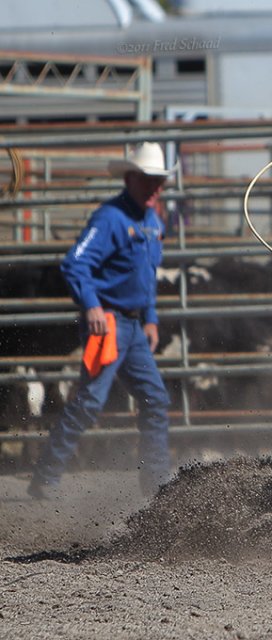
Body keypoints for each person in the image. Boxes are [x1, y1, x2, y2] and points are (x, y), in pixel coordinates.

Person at [28, 142, 174, 500]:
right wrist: (92, 306)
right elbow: (76, 262)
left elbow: (147, 274)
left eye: (159, 181)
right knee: (91, 400)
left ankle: (156, 484)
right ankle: (46, 476)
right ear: (131, 178)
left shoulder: (151, 222)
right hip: (107, 323)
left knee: (155, 399)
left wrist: (150, 318)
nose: (156, 188)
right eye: (150, 180)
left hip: (133, 326)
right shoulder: (110, 218)